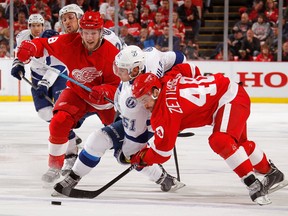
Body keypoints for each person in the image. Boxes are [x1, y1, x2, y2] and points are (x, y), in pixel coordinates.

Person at [130, 64, 287, 205]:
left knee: (220, 140)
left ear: (156, 92)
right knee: (238, 146)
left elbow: (162, 153)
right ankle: (273, 174)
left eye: (145, 99)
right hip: (230, 92)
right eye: (140, 101)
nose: (144, 105)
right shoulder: (167, 78)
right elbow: (188, 69)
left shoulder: (164, 114)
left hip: (230, 98)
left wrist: (142, 158)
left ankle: (252, 183)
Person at [53, 45, 187, 194]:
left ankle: (161, 177)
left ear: (135, 70)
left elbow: (135, 140)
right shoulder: (150, 56)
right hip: (150, 115)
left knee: (108, 145)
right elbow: (179, 58)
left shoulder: (131, 101)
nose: (117, 73)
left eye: (121, 70)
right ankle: (164, 179)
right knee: (99, 141)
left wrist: (124, 156)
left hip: (148, 123)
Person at [16, 11, 121, 183]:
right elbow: (43, 44)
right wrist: (31, 47)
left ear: (101, 32)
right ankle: (55, 166)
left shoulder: (112, 53)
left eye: (93, 33)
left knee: (125, 140)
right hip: (77, 93)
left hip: (104, 103)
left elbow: (119, 85)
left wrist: (106, 91)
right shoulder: (69, 42)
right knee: (58, 122)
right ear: (80, 32)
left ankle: (156, 172)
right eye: (86, 32)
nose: (89, 37)